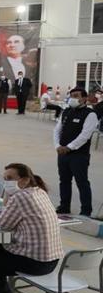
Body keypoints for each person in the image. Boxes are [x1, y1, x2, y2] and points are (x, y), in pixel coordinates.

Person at [0, 163, 63, 293]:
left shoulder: (20, 197)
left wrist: (6, 199)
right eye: (4, 179)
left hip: (35, 263)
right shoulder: (40, 191)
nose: (6, 183)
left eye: (10, 179)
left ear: (24, 180)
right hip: (52, 262)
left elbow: (4, 224)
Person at [54, 87, 98, 217]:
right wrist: (57, 145)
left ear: (84, 98)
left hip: (79, 155)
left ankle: (86, 210)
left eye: (76, 96)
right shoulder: (66, 112)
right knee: (64, 181)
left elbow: (85, 135)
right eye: (72, 95)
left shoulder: (90, 114)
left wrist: (69, 147)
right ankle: (64, 206)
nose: (73, 98)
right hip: (62, 153)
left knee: (82, 182)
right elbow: (57, 130)